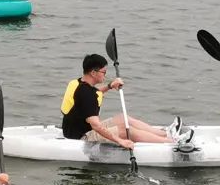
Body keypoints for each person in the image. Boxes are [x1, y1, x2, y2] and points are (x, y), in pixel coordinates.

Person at [61, 54, 197, 152]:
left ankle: (166, 133)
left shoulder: (80, 83)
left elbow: (93, 96)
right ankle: (172, 143)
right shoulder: (86, 94)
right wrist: (121, 141)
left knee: (123, 118)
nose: (105, 74)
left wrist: (110, 86)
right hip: (82, 136)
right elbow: (96, 126)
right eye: (104, 72)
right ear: (93, 72)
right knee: (128, 131)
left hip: (82, 128)